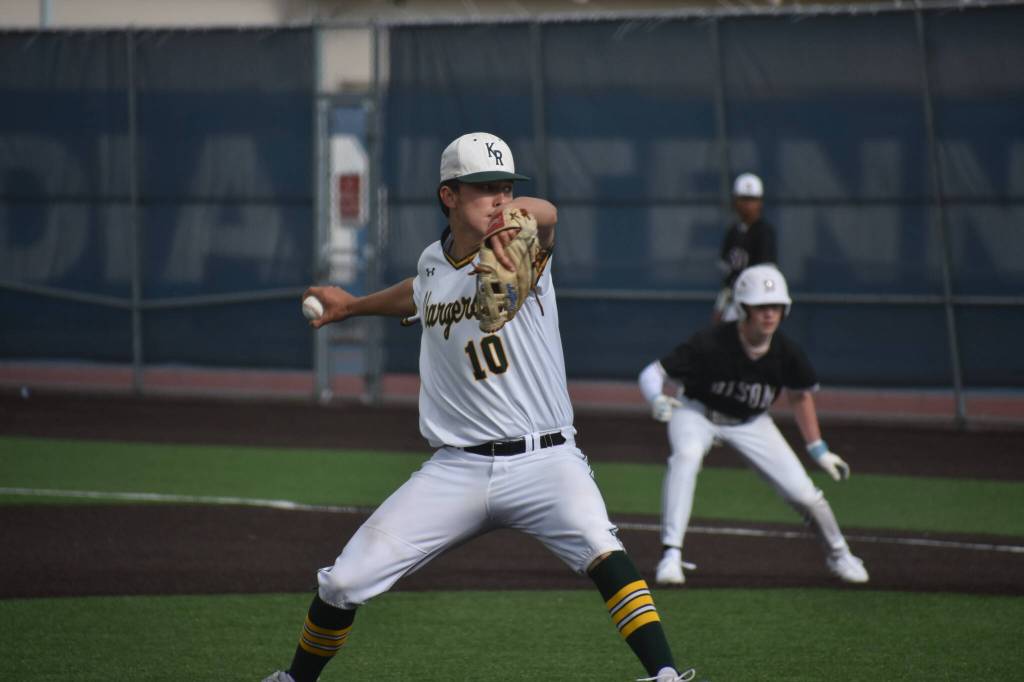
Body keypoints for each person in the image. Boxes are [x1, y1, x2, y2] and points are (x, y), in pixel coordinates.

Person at [262, 133, 695, 682]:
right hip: (457, 468)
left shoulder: (522, 248)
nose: (499, 197)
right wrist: (352, 307)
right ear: (449, 196)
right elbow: (422, 289)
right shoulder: (432, 263)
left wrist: (517, 215)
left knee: (602, 549)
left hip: (545, 461)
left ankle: (665, 677)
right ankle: (296, 679)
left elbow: (548, 215)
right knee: (344, 582)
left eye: (505, 187)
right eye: (484, 188)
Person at [637, 264, 869, 587]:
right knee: (686, 458)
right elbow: (652, 373)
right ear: (744, 308)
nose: (769, 314)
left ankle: (840, 554)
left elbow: (800, 396)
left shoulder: (786, 352)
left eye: (775, 306)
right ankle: (670, 555)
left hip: (751, 421)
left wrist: (819, 449)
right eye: (761, 306)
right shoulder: (712, 342)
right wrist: (656, 398)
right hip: (696, 413)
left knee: (805, 495)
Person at [712, 173, 777, 323]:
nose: (748, 204)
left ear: (760, 202)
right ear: (735, 202)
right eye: (744, 199)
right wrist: (720, 306)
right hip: (733, 301)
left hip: (755, 303)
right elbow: (728, 278)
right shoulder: (732, 232)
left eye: (752, 199)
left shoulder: (764, 232)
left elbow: (766, 275)